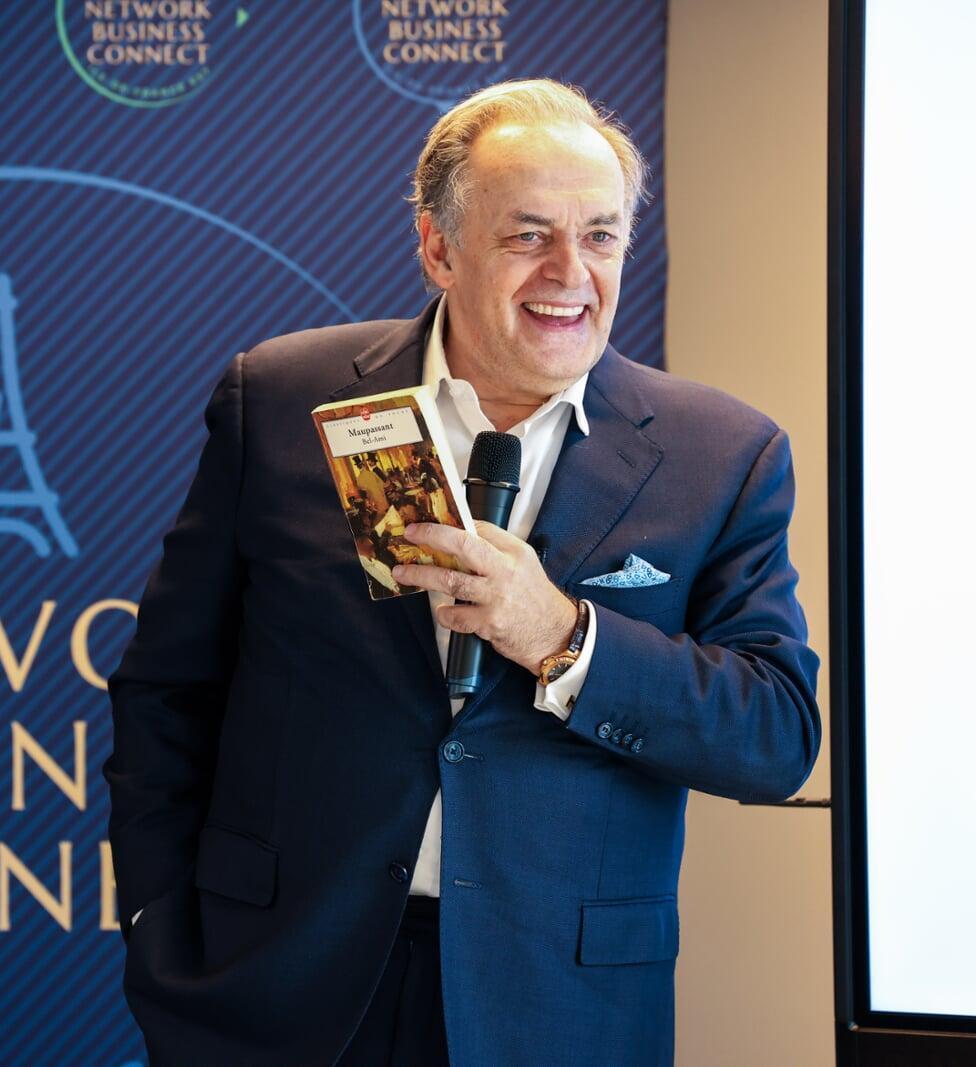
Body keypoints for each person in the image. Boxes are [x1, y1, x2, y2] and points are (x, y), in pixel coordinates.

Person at [103, 77, 820, 1067]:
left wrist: (563, 636)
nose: (570, 272)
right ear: (439, 248)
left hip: (555, 1006)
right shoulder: (279, 398)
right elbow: (167, 688)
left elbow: (775, 734)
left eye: (601, 235)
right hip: (274, 986)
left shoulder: (722, 454)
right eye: (529, 234)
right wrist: (155, 921)